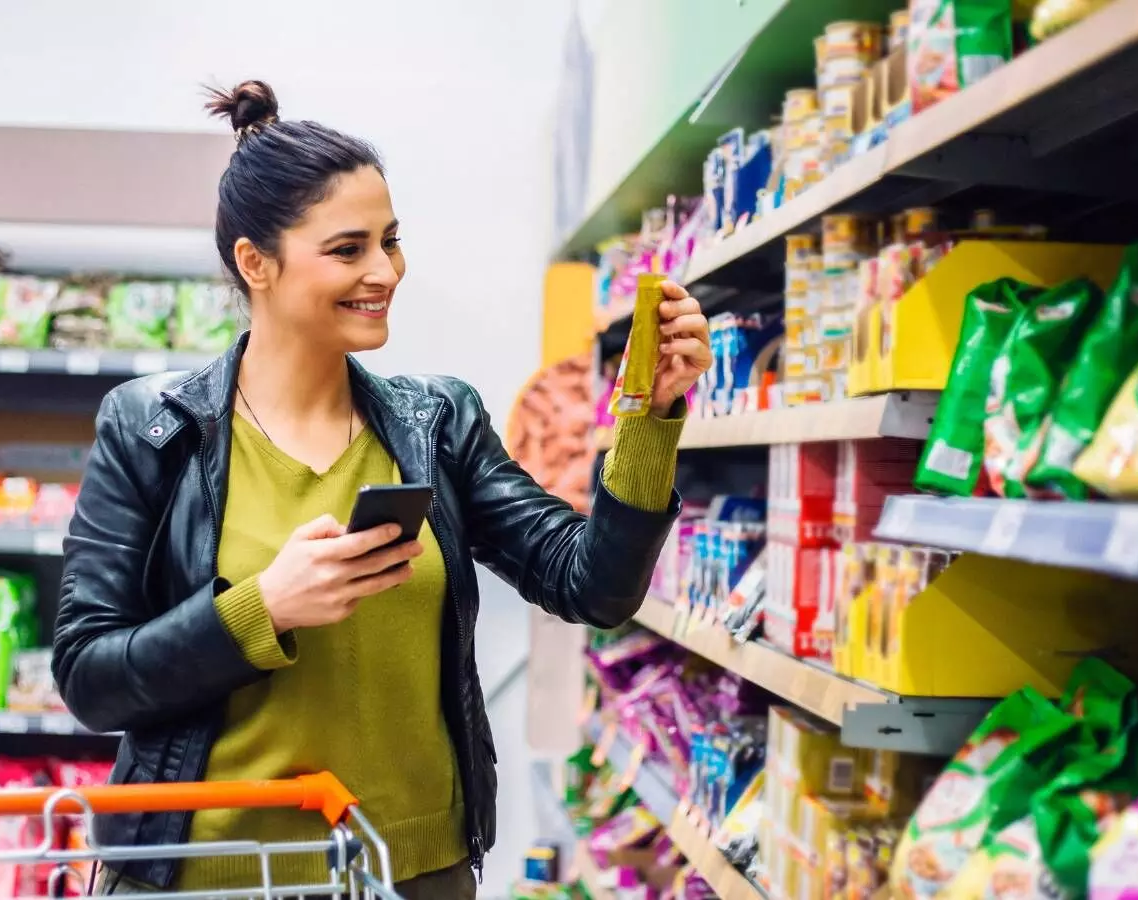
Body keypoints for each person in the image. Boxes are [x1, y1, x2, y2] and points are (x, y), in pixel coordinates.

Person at [52, 80, 712, 900]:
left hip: (414, 873)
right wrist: (264, 607)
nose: (384, 271)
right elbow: (90, 675)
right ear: (256, 263)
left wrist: (650, 418)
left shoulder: (436, 422)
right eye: (348, 248)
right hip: (211, 876)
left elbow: (592, 587)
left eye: (390, 242)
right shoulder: (154, 429)